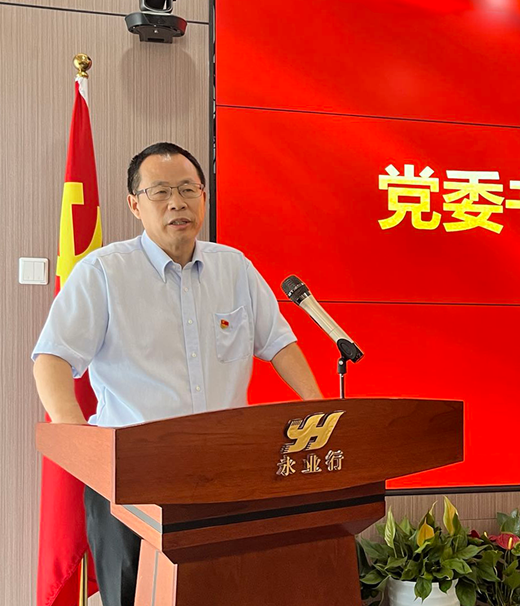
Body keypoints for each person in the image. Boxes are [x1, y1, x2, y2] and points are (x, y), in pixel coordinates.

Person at [31, 142, 322, 606]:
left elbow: (280, 343)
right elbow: (51, 358)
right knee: (134, 596)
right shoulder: (104, 272)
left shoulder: (234, 268)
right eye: (161, 191)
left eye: (188, 189)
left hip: (225, 472)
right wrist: (79, 440)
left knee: (225, 591)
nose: (177, 203)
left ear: (203, 197)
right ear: (135, 204)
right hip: (132, 476)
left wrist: (318, 408)